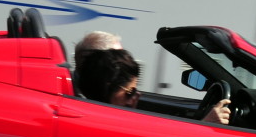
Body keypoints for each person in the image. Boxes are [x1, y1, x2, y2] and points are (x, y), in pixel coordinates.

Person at [76, 48, 230, 124]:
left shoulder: (111, 119)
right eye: (130, 92)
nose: (137, 96)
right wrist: (206, 125)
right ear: (105, 90)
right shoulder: (105, 125)